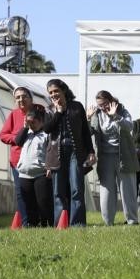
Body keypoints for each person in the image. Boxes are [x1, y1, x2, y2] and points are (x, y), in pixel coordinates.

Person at [42, 78, 96, 227]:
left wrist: (91, 151)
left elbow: (85, 131)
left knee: (77, 188)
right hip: (56, 153)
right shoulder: (48, 109)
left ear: (63, 90)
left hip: (75, 152)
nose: (53, 94)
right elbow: (47, 128)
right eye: (51, 92)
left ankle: (77, 224)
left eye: (56, 91)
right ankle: (60, 223)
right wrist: (58, 112)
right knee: (58, 191)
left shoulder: (77, 106)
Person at [88, 90, 139, 226]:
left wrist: (115, 116)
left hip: (124, 156)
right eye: (100, 105)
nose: (103, 108)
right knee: (106, 191)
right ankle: (108, 222)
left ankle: (132, 221)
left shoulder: (122, 111)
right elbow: (88, 133)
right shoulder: (97, 115)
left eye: (105, 104)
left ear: (111, 101)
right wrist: (88, 118)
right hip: (105, 158)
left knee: (127, 190)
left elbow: (130, 126)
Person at [0, 87, 38, 226]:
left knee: (38, 192)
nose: (21, 99)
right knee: (22, 193)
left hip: (38, 160)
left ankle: (41, 221)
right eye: (18, 97)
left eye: (24, 96)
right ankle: (26, 223)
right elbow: (3, 135)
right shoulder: (14, 115)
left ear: (31, 98)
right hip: (18, 161)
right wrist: (16, 138)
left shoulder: (40, 111)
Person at [13, 106, 53, 227]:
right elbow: (17, 142)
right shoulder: (26, 133)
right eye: (29, 122)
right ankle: (33, 224)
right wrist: (25, 127)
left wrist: (49, 167)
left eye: (33, 122)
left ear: (41, 121)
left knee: (43, 201)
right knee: (28, 203)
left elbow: (51, 152)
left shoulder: (46, 135)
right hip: (24, 174)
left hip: (41, 173)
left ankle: (47, 224)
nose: (31, 125)